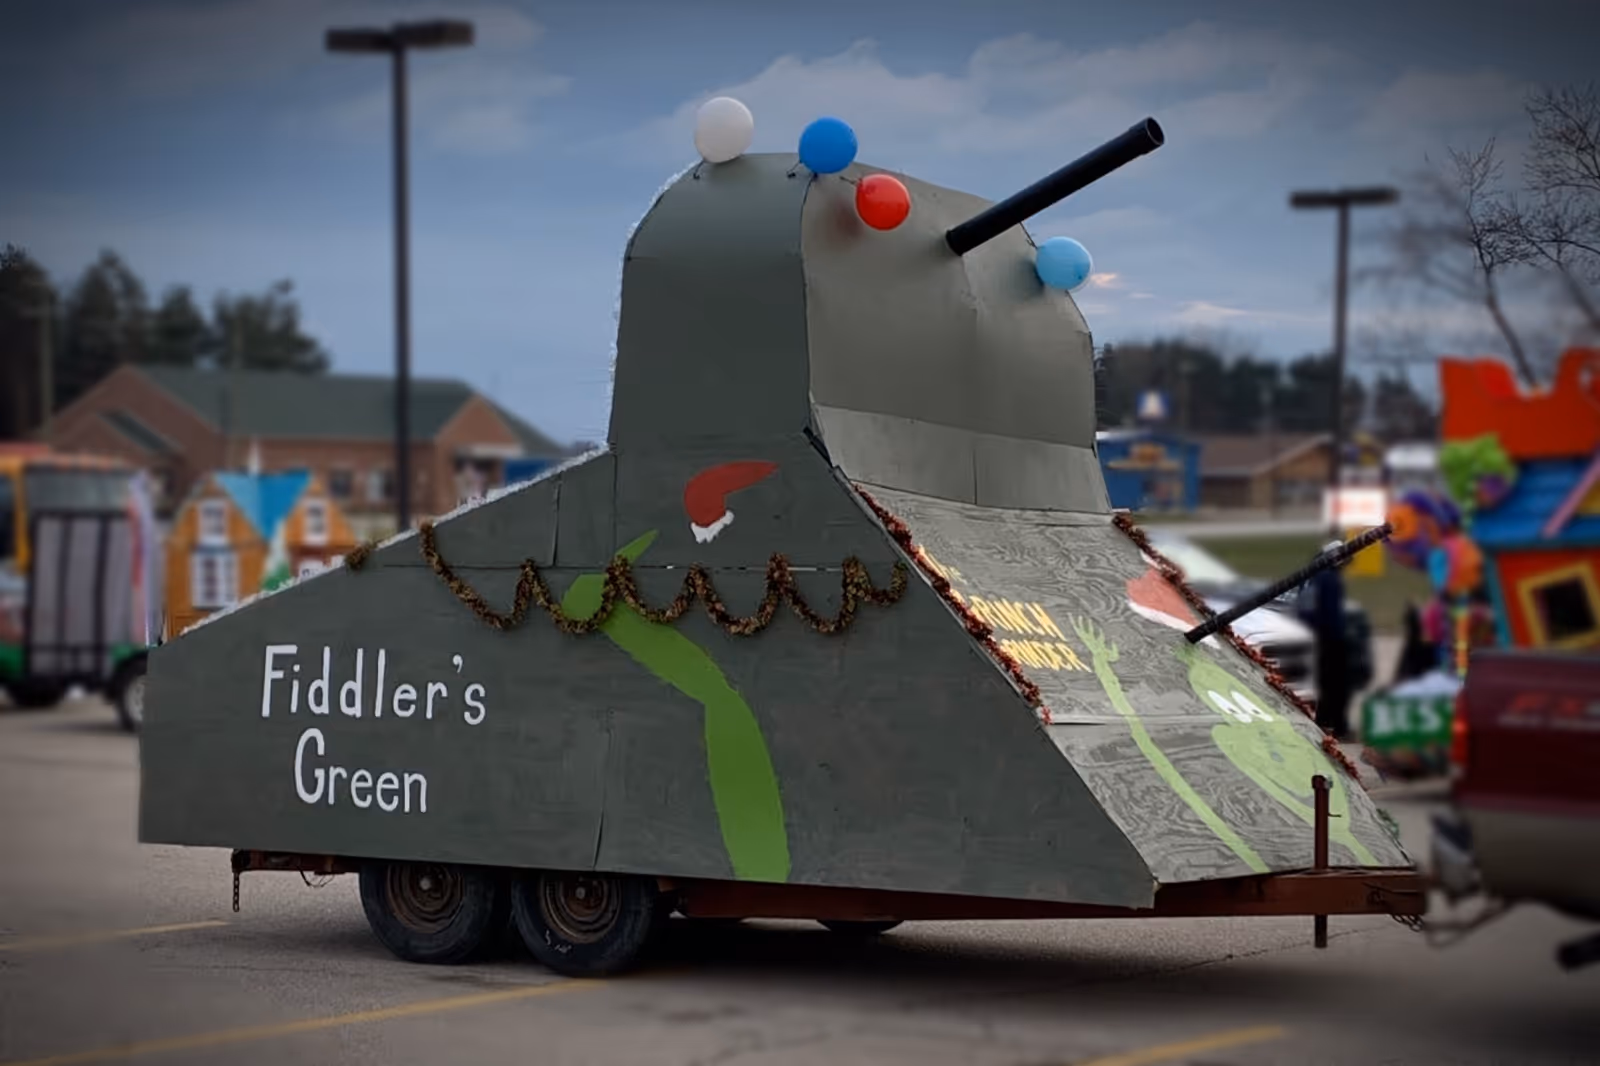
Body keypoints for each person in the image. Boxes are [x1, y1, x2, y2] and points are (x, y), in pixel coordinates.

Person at [1299, 540, 1352, 741]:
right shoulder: (1330, 579)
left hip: (1310, 634)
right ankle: (1335, 725)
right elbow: (1332, 615)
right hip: (1327, 637)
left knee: (1321, 680)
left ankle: (1323, 721)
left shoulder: (1312, 574)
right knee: (1335, 682)